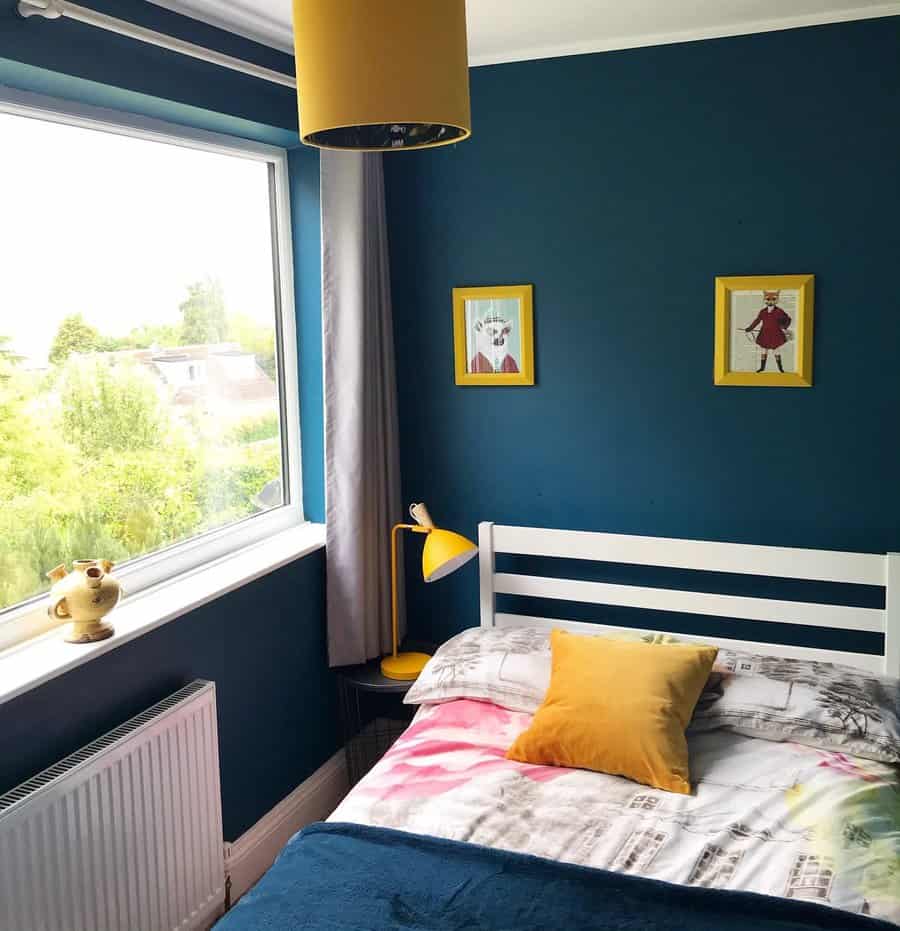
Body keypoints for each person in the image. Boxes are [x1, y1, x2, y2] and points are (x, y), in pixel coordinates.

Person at [744, 290, 791, 372]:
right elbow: (757, 320)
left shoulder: (779, 311)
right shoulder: (763, 312)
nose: (770, 301)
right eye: (768, 299)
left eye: (773, 299)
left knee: (776, 350)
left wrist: (784, 327)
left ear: (776, 300)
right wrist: (750, 328)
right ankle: (762, 368)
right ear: (765, 300)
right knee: (763, 350)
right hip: (764, 334)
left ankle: (780, 368)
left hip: (775, 334)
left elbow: (788, 319)